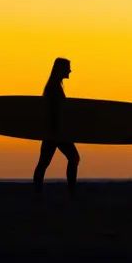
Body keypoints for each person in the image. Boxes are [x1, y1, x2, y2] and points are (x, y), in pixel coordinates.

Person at [34, 57, 80, 195]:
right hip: (56, 132)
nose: (70, 70)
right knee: (73, 158)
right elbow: (54, 111)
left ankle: (38, 192)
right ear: (61, 69)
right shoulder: (53, 87)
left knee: (44, 163)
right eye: (68, 67)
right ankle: (71, 192)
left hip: (53, 132)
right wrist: (57, 131)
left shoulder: (54, 85)